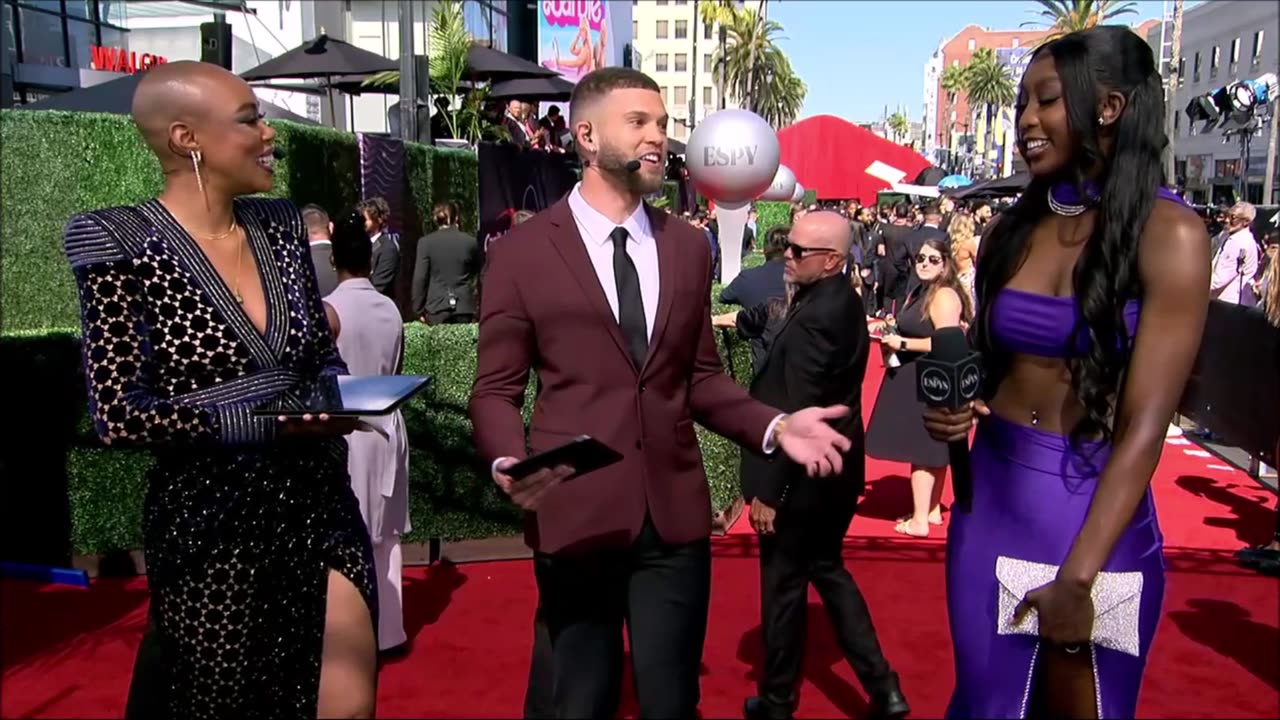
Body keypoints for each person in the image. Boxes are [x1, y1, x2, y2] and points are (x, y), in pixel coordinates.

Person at [469, 67, 853, 720]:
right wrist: (509, 460)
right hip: (575, 509)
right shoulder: (524, 253)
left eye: (663, 125)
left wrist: (776, 426)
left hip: (672, 518)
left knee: (672, 700)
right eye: (638, 123)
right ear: (586, 136)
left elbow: (698, 377)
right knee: (578, 699)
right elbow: (494, 391)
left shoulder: (685, 247)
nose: (658, 138)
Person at [65, 61, 377, 718]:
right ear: (187, 138)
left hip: (319, 503)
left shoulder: (281, 224)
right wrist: (264, 422)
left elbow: (317, 360)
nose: (270, 135)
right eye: (251, 121)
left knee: (347, 705)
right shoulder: (118, 238)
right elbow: (119, 415)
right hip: (212, 525)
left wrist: (341, 399)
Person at [923, 27, 1209, 718]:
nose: (1026, 120)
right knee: (988, 703)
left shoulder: (1171, 235)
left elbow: (1147, 420)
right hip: (989, 502)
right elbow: (992, 371)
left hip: (1095, 514)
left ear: (1108, 108)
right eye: (1022, 101)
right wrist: (957, 415)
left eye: (1046, 101)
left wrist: (1078, 579)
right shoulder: (1013, 228)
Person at [735, 212, 910, 720]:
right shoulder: (844, 302)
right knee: (828, 571)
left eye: (797, 251)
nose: (785, 256)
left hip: (802, 477)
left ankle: (778, 700)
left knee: (785, 588)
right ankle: (884, 688)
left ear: (832, 260)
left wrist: (770, 490)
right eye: (787, 246)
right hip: (837, 468)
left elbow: (802, 408)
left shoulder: (817, 315)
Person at [322, 213, 412, 654]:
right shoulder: (390, 309)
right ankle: (390, 632)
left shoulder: (330, 309)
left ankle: (355, 633)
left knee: (351, 531)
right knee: (386, 533)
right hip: (388, 428)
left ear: (335, 257)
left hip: (350, 430)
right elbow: (394, 367)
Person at [867, 236, 972, 537]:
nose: (924, 264)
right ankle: (931, 510)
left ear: (946, 264)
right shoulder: (921, 290)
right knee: (932, 448)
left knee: (924, 449)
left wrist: (902, 342)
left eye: (932, 260)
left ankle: (919, 521)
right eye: (920, 259)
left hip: (933, 379)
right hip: (920, 376)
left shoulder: (943, 296)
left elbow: (949, 341)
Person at [411, 201, 482, 324]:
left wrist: (418, 310)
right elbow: (480, 274)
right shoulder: (470, 242)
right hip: (464, 308)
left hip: (436, 308)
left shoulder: (425, 243)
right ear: (457, 218)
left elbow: (420, 278)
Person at [360, 196, 400, 297]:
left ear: (379, 220)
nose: (362, 223)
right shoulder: (358, 245)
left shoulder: (388, 249)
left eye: (365, 219)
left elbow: (378, 285)